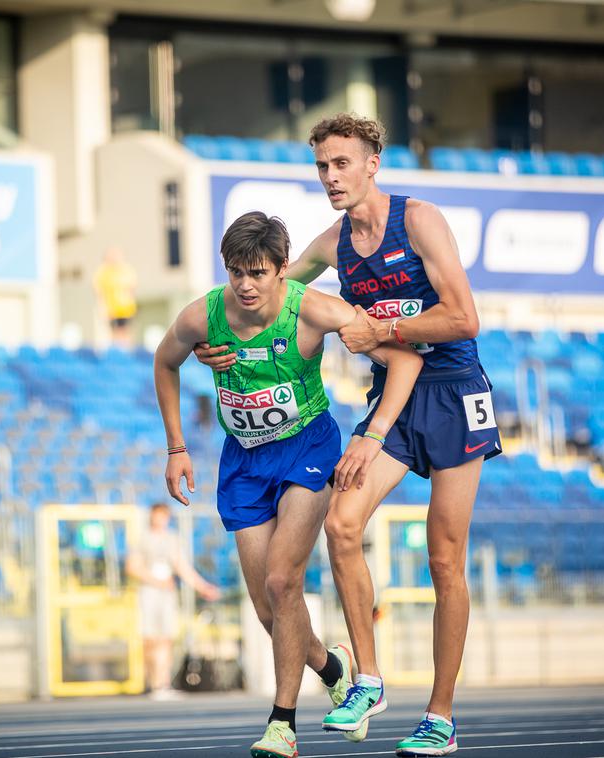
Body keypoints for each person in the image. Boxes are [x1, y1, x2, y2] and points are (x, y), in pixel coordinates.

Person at [195, 114, 501, 757]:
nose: (331, 177)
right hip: (390, 396)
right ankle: (367, 679)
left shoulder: (418, 220)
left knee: (444, 556)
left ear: (372, 164)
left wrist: (386, 330)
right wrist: (219, 345)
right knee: (341, 523)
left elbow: (465, 317)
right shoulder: (332, 243)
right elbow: (267, 292)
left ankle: (440, 716)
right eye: (322, 167)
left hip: (452, 393)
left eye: (342, 163)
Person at [155, 211, 423, 758]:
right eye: (236, 273)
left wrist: (373, 434)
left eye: (258, 273)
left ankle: (282, 724)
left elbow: (402, 360)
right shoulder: (204, 317)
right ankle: (332, 666)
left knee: (283, 581)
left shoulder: (313, 310)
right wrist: (177, 447)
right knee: (267, 610)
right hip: (244, 462)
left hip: (308, 449)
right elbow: (165, 363)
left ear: (283, 269)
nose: (246, 286)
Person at [126, 502, 222, 700]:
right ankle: (153, 683)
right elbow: (132, 567)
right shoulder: (142, 538)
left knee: (166, 638)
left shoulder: (172, 539)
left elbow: (182, 567)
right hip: (149, 592)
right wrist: (156, 581)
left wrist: (203, 587)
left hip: (166, 593)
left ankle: (163, 683)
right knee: (150, 638)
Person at [93, 246, 138, 347]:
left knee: (125, 331)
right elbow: (98, 290)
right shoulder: (103, 272)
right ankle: (116, 350)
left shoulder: (126, 270)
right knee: (114, 332)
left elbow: (132, 286)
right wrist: (102, 306)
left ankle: (126, 350)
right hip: (111, 309)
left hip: (125, 308)